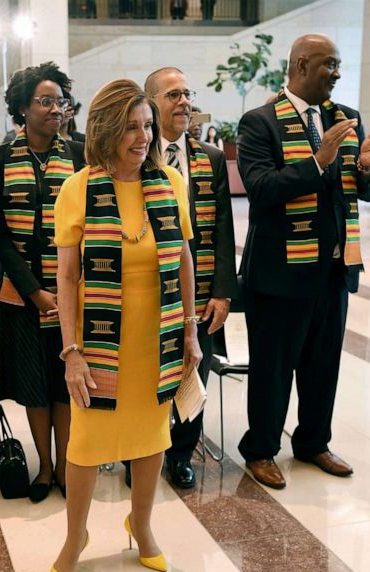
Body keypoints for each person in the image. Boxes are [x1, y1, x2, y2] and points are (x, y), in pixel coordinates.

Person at [49, 78, 201, 572]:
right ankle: (75, 539)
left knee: (152, 435)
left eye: (147, 126)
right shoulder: (79, 189)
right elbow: (67, 278)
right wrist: (71, 350)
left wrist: (191, 330)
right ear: (107, 130)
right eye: (131, 127)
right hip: (99, 341)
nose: (143, 137)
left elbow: (183, 259)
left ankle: (142, 523)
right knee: (86, 443)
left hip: (155, 337)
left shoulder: (169, 183)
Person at [236, 34, 370, 489]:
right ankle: (261, 449)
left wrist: (365, 167)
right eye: (330, 65)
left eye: (339, 65)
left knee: (324, 365)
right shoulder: (258, 122)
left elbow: (365, 190)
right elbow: (261, 189)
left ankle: (313, 442)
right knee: (274, 368)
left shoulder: (346, 119)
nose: (337, 74)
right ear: (301, 64)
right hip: (280, 274)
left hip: (333, 270)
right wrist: (319, 160)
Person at [0, 62, 84, 502]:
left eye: (60, 101)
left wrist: (63, 288)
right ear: (22, 108)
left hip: (72, 289)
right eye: (45, 101)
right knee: (34, 385)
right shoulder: (2, 157)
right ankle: (43, 467)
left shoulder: (80, 154)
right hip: (23, 293)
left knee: (66, 379)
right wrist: (34, 290)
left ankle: (66, 466)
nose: (55, 109)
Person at [141, 66, 236, 489]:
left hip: (199, 294)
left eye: (187, 93)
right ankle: (140, 455)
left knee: (194, 371)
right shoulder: (136, 152)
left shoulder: (209, 158)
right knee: (145, 373)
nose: (184, 102)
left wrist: (222, 292)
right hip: (147, 288)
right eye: (173, 95)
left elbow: (223, 231)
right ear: (151, 104)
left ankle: (181, 453)